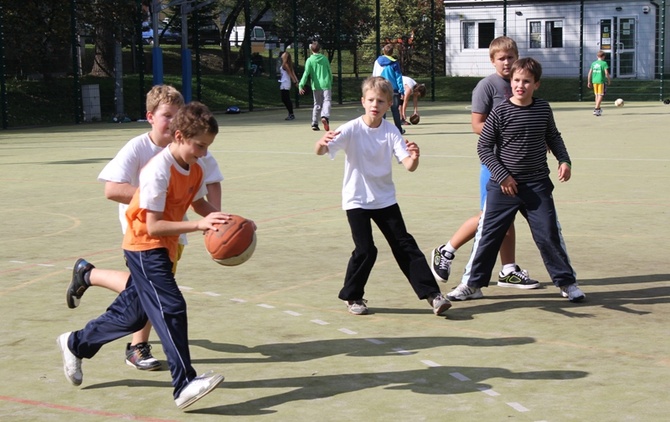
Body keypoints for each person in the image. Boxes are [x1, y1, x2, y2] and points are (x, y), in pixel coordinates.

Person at [57, 102, 228, 409]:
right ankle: (184, 383)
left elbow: (199, 201)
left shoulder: (195, 166)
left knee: (134, 313)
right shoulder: (157, 170)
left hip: (165, 246)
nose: (204, 152)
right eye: (199, 146)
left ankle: (75, 343)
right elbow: (154, 224)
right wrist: (200, 224)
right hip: (144, 246)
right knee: (171, 307)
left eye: (207, 147)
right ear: (179, 136)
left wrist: (226, 221)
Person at [447, 58, 585, 303]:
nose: (520, 85)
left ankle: (567, 283)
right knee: (488, 235)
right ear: (511, 82)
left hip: (537, 185)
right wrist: (503, 176)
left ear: (536, 85)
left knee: (549, 233)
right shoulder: (500, 111)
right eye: (517, 80)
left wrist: (565, 160)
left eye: (527, 81)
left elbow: (553, 136)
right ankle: (472, 284)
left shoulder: (543, 109)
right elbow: (484, 148)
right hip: (503, 187)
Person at [314, 76, 451, 317]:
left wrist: (415, 157)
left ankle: (433, 295)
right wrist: (320, 143)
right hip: (356, 200)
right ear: (363, 101)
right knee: (366, 250)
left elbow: (408, 165)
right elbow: (322, 150)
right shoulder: (351, 128)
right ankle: (353, 296)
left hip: (384, 199)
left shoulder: (391, 132)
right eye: (370, 100)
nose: (375, 104)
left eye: (380, 101)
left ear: (389, 105)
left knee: (405, 245)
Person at [430, 36, 540, 296]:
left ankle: (508, 270)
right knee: (491, 215)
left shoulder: (521, 84)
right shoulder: (486, 87)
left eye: (510, 57)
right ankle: (446, 250)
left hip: (520, 164)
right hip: (495, 163)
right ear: (492, 61)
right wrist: (507, 134)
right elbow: (477, 124)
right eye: (501, 58)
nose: (507, 62)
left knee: (506, 216)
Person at [299, 41, 333, 131]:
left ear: (311, 49)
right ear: (320, 49)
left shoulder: (309, 60)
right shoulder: (325, 59)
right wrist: (330, 82)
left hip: (316, 85)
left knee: (317, 104)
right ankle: (325, 116)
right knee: (327, 101)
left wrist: (301, 85)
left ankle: (314, 123)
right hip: (326, 84)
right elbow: (329, 71)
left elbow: (306, 74)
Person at [372, 44, 405, 134]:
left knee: (382, 110)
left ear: (384, 51)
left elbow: (374, 75)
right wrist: (401, 90)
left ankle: (381, 130)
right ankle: (399, 129)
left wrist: (373, 88)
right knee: (395, 111)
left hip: (380, 89)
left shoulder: (377, 62)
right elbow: (398, 77)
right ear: (392, 52)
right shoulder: (395, 63)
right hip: (393, 90)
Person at [587, 50, 611, 117]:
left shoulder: (593, 63)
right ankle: (596, 109)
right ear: (603, 56)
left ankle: (598, 109)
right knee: (601, 95)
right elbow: (606, 73)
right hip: (601, 81)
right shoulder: (604, 63)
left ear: (597, 56)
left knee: (597, 95)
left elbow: (589, 73)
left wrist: (589, 81)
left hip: (594, 81)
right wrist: (609, 80)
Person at [279, 51, 298, 120]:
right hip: (284, 83)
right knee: (285, 99)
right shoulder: (288, 64)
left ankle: (291, 114)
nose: (282, 55)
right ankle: (291, 113)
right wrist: (297, 82)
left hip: (285, 83)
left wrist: (295, 82)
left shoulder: (285, 65)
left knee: (285, 99)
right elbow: (293, 74)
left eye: (283, 55)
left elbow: (291, 74)